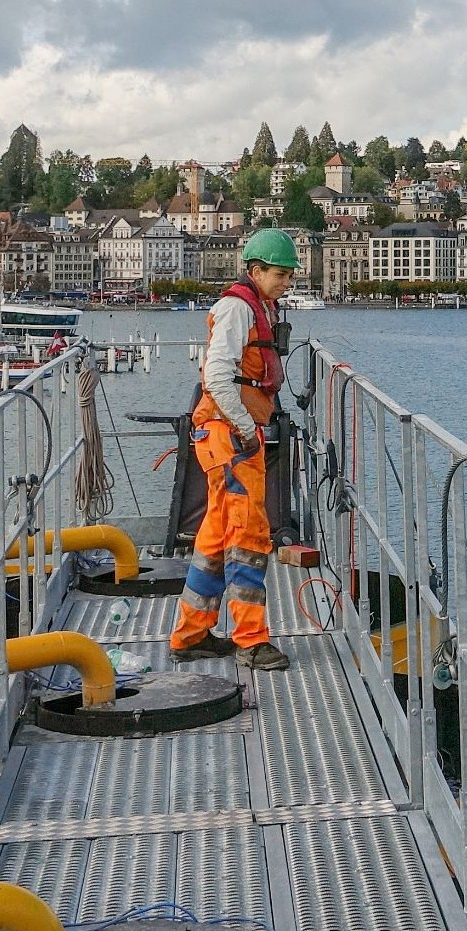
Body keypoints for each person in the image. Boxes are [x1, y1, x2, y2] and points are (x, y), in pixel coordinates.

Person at [169, 228, 298, 672]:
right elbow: (217, 378)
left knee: (215, 537)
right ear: (255, 270)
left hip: (231, 432)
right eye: (279, 274)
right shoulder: (236, 310)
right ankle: (251, 640)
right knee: (248, 537)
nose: (286, 283)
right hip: (231, 436)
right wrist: (245, 427)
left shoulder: (255, 307)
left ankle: (192, 634)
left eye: (288, 276)